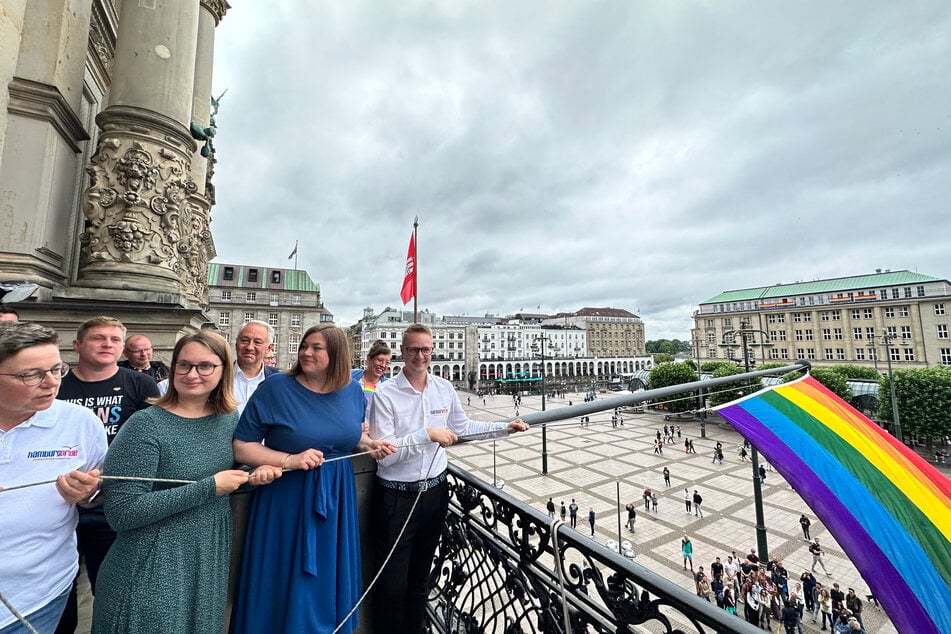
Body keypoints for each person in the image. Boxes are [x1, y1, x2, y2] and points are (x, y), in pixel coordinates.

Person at [91, 331, 280, 633]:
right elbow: (121, 511)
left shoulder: (228, 418)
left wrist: (252, 473)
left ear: (223, 372)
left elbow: (225, 468)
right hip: (153, 563)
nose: (192, 374)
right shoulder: (145, 425)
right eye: (184, 365)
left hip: (205, 557)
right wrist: (208, 488)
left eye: (205, 366)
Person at [230, 324, 394, 633]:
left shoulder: (352, 390)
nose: (306, 352)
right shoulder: (276, 388)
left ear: (336, 354)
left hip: (336, 497)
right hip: (286, 499)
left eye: (316, 347)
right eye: (304, 346)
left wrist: (368, 445)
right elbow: (242, 445)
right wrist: (289, 459)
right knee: (281, 577)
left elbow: (350, 434)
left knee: (326, 579)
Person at [368, 323, 527, 633]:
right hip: (396, 498)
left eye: (425, 349)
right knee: (391, 586)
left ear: (432, 351)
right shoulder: (385, 394)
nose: (419, 356)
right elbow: (385, 452)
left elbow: (463, 427)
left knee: (420, 581)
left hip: (435, 494)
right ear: (402, 352)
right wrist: (427, 434)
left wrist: (506, 427)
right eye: (413, 350)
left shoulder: (444, 387)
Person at [55, 317, 159, 634]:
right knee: (60, 591)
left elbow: (154, 440)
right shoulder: (57, 385)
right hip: (59, 502)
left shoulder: (140, 385)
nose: (107, 344)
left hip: (113, 504)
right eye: (98, 338)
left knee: (113, 589)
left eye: (114, 339)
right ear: (77, 346)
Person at [0, 322, 106, 634]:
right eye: (31, 375)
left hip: (40, 595)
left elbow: (100, 494)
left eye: (57, 369)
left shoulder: (80, 423)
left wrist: (89, 493)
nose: (51, 383)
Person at [232, 320, 280, 414]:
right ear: (236, 344)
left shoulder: (279, 380)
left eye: (257, 342)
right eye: (244, 340)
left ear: (269, 348)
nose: (249, 347)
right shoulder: (219, 375)